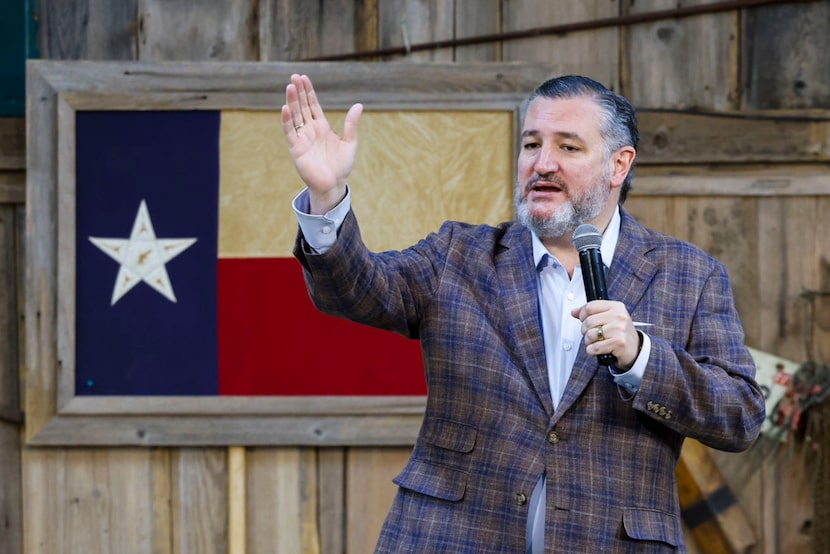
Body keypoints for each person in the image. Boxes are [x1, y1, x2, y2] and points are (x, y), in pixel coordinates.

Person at [281, 72, 766, 553]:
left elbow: (739, 415)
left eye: (568, 147)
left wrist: (641, 357)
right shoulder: (459, 255)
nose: (543, 163)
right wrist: (327, 197)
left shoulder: (690, 275)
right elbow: (358, 290)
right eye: (532, 144)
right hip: (454, 539)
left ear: (619, 165)